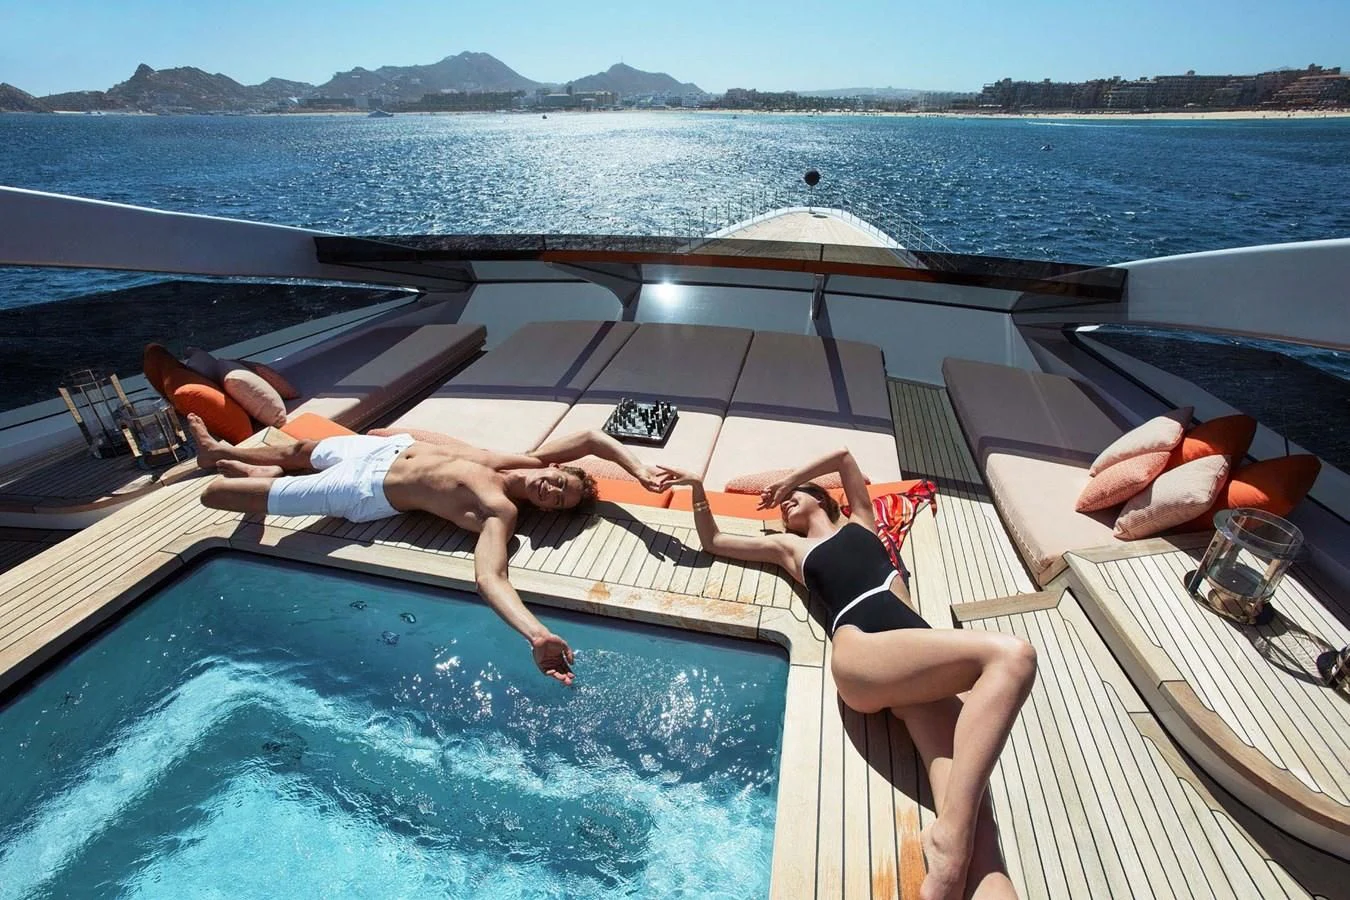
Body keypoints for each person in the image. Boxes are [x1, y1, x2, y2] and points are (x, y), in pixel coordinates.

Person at [667, 449, 1035, 900]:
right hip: (864, 651)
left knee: (982, 833)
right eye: (783, 504)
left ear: (821, 497)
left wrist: (790, 477)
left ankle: (951, 850)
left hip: (918, 665)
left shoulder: (862, 522)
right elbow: (714, 541)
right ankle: (947, 841)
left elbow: (843, 456)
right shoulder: (791, 548)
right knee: (1013, 657)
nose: (784, 507)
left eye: (793, 498)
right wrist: (698, 489)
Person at [188, 414, 675, 686]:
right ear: (555, 468)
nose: (551, 489)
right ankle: (221, 453)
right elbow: (592, 437)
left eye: (558, 500)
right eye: (559, 482)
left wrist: (535, 635)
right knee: (299, 450)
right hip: (384, 450)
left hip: (362, 492)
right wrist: (638, 470)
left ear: (546, 511)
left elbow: (490, 578)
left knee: (214, 496)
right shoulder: (528, 458)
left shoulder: (497, 511)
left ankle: (251, 478)